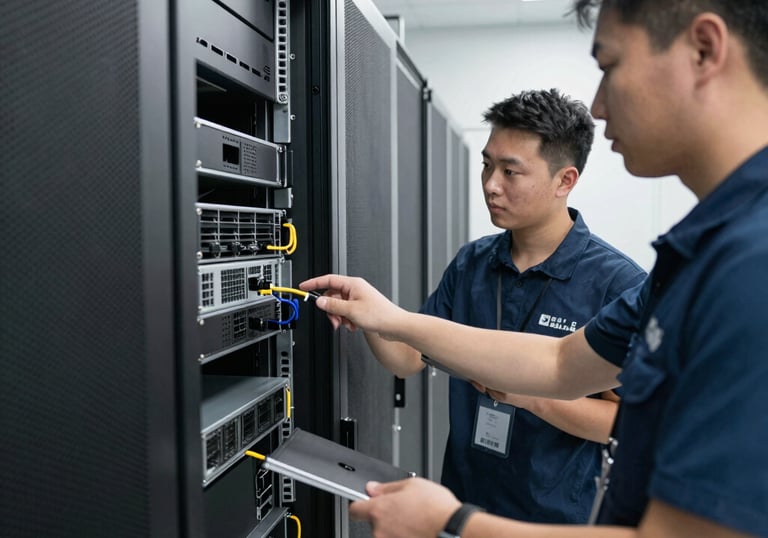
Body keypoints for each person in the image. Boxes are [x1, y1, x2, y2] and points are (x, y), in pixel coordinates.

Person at [300, 0, 768, 536]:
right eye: (488, 166)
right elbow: (562, 363)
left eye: (610, 65)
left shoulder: (748, 265)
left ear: (704, 49)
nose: (598, 105)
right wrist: (388, 318)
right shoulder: (693, 256)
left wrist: (452, 520)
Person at [361, 88, 645, 522]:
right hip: (461, 505)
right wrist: (371, 317)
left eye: (511, 171)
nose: (491, 185)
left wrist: (533, 398)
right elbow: (408, 358)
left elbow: (628, 423)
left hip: (553, 521)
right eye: (487, 165)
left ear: (564, 181)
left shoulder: (616, 283)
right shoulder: (473, 262)